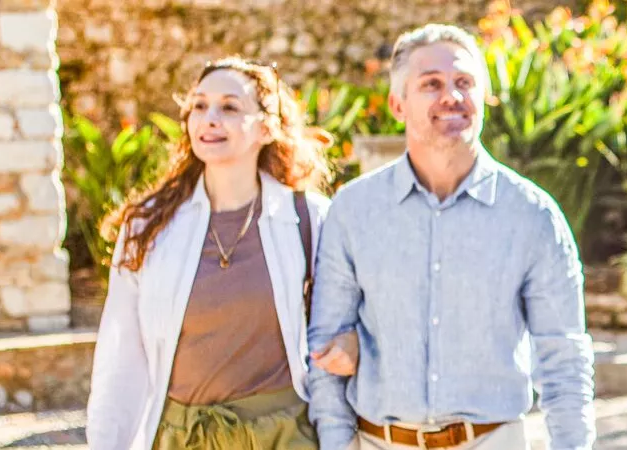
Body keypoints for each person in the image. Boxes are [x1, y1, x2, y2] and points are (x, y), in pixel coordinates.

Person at [304, 23, 594, 450]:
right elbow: (327, 344)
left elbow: (564, 356)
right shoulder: (353, 211)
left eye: (464, 82)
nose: (452, 96)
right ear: (398, 104)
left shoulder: (533, 216)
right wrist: (336, 443)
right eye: (431, 84)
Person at [87, 57, 333, 450]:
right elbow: (120, 354)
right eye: (199, 106)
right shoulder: (148, 226)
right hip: (181, 438)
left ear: (266, 127)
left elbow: (336, 340)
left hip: (284, 437)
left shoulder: (311, 218)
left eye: (230, 107)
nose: (210, 119)